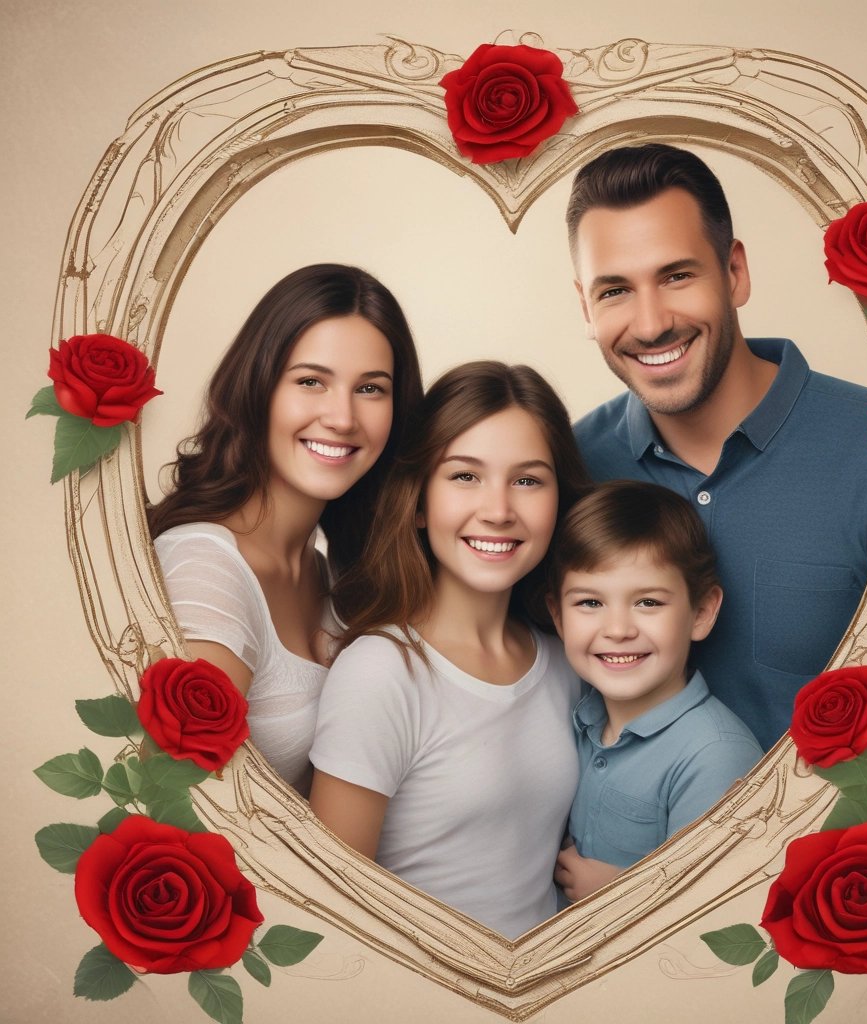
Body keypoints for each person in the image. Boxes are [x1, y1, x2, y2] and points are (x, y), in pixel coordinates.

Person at [567, 144, 867, 750]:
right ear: (586, 306)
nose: (650, 323)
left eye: (677, 275)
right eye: (614, 291)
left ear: (734, 273)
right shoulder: (569, 469)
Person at [309, 361, 591, 938]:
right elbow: (331, 913)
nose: (498, 509)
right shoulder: (381, 671)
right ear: (418, 503)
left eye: (529, 480)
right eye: (465, 476)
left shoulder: (568, 661)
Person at [148, 264, 424, 795]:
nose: (342, 418)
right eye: (310, 381)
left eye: (370, 388)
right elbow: (182, 805)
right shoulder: (206, 569)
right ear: (258, 387)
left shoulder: (326, 571)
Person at [548, 481, 762, 903]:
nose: (618, 630)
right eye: (590, 603)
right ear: (558, 617)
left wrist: (614, 895)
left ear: (700, 613)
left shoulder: (715, 756)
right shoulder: (576, 717)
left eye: (647, 602)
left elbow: (712, 910)